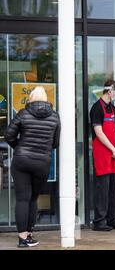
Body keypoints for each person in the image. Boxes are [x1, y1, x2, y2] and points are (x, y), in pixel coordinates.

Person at [5, 86, 60, 247]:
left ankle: (22, 239)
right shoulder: (55, 117)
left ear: (31, 98)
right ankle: (29, 234)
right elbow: (55, 143)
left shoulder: (23, 113)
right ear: (46, 98)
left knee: (22, 198)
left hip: (21, 161)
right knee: (33, 198)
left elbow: (9, 135)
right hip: (42, 162)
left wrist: (20, 148)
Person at [90, 80, 115, 231]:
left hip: (113, 154)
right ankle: (99, 221)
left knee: (114, 186)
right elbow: (98, 133)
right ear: (109, 91)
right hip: (102, 152)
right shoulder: (96, 108)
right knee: (102, 187)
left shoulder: (114, 109)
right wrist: (113, 149)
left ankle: (112, 219)